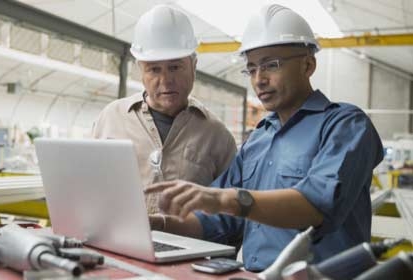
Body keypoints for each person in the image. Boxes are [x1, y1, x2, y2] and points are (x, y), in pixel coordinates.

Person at [146, 4, 384, 271]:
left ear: (308, 65)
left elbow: (317, 206)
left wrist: (226, 199)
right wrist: (156, 224)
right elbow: (216, 222)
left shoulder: (346, 125)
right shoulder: (258, 139)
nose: (259, 79)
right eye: (251, 69)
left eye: (271, 65)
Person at [92, 5, 237, 214]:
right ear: (141, 70)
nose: (166, 80)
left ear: (193, 66)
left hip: (193, 246)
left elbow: (229, 217)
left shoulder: (217, 136)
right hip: (119, 242)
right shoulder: (111, 118)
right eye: (154, 69)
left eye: (175, 67)